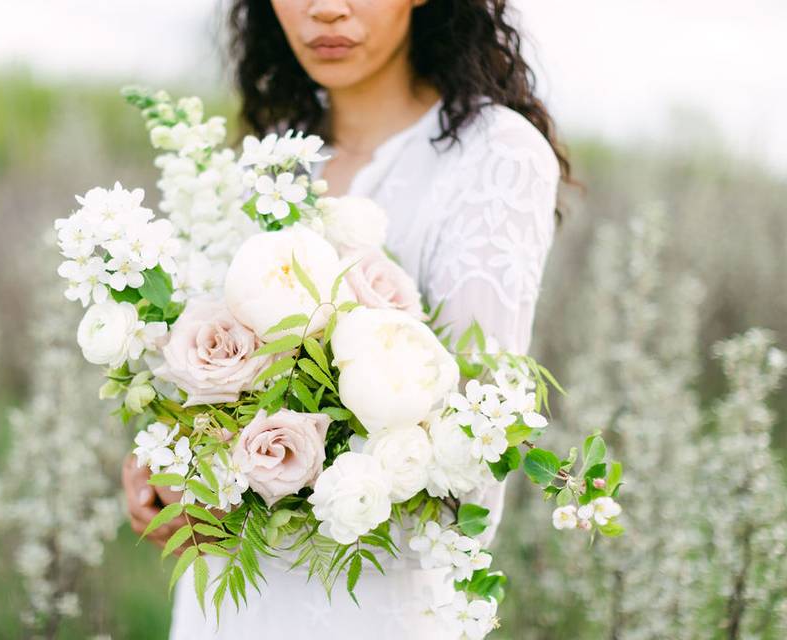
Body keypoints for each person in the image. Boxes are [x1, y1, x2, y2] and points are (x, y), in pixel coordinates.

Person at [123, 1, 569, 637]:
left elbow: (477, 446)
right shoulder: (272, 156)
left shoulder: (496, 158)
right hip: (227, 598)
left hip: (374, 603)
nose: (325, 8)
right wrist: (173, 462)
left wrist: (282, 464)